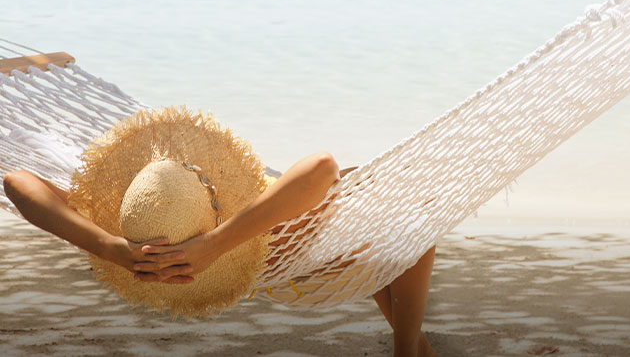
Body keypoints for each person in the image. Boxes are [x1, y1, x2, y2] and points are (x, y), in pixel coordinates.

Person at [3, 150, 439, 357]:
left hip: (191, 257)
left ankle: (413, 346)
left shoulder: (128, 227)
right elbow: (323, 167)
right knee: (409, 214)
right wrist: (215, 242)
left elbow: (17, 181)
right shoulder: (258, 237)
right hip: (265, 242)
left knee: (385, 223)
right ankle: (408, 349)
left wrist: (113, 247)